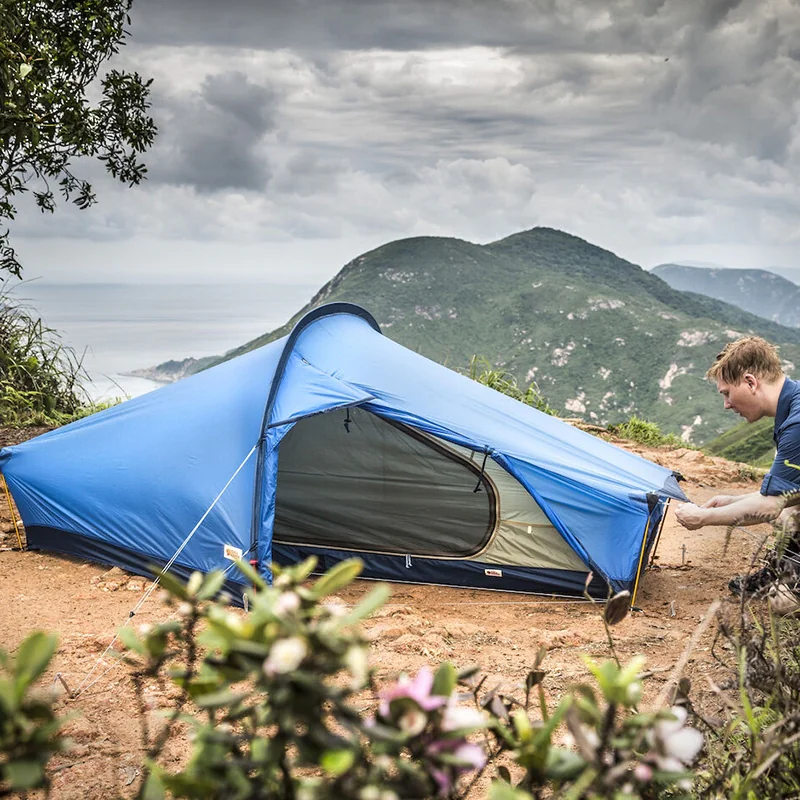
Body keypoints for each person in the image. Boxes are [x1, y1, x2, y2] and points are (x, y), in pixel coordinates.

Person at [674, 336, 800, 602]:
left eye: (727, 393)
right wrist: (732, 502)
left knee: (783, 601)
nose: (727, 405)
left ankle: (790, 584)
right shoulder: (793, 406)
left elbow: (771, 505)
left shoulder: (797, 424)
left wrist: (702, 518)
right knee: (788, 510)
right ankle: (785, 571)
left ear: (750, 382)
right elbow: (790, 491)